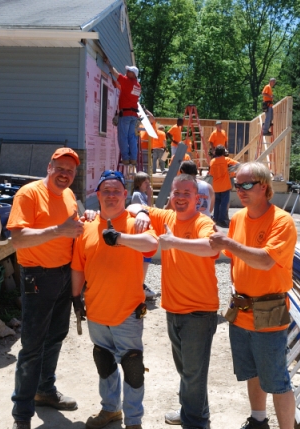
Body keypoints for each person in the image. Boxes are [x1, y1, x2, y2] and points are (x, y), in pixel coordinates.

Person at [208, 162, 297, 429]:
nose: (241, 190)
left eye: (247, 184)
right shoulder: (238, 218)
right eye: (237, 185)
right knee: (252, 371)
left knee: (277, 380)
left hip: (270, 308)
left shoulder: (281, 221)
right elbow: (231, 256)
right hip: (241, 308)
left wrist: (227, 242)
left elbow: (265, 260)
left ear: (264, 187)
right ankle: (258, 420)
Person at [127, 174, 219, 429]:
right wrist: (142, 211)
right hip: (174, 309)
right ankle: (193, 412)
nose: (180, 198)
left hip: (199, 311)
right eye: (176, 193)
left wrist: (174, 242)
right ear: (170, 195)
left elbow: (211, 247)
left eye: (186, 194)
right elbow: (132, 205)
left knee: (193, 373)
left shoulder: (203, 222)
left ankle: (195, 422)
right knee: (187, 371)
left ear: (197, 198)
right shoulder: (167, 217)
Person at [72, 170, 159, 429]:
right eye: (106, 191)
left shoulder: (136, 223)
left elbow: (151, 245)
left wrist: (121, 238)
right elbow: (77, 267)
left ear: (124, 194)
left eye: (116, 191)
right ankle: (110, 409)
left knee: (132, 365)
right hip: (96, 310)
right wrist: (75, 298)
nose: (111, 195)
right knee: (104, 361)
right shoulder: (87, 226)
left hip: (127, 312)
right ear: (97, 195)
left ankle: (133, 420)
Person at [7, 148, 84, 429]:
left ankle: (45, 390)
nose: (65, 174)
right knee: (32, 345)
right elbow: (17, 239)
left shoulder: (69, 195)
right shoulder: (28, 194)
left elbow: (73, 230)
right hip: (37, 277)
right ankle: (22, 413)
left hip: (63, 275)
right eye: (60, 168)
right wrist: (58, 231)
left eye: (70, 171)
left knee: (56, 336)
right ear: (49, 167)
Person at [105, 58, 141, 165]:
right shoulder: (137, 86)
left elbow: (115, 73)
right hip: (133, 115)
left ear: (133, 74)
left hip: (125, 115)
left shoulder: (127, 81)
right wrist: (117, 86)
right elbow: (127, 91)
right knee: (132, 137)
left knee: (123, 137)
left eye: (129, 71)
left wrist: (108, 64)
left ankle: (125, 158)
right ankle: (133, 159)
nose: (126, 72)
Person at [131, 172, 158, 301]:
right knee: (144, 259)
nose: (148, 184)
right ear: (139, 183)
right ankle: (139, 286)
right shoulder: (137, 195)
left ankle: (140, 284)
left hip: (144, 229)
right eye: (145, 182)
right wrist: (150, 196)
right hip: (141, 231)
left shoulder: (142, 194)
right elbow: (146, 209)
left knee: (146, 259)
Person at [208, 145, 239, 228]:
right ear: (223, 152)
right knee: (224, 204)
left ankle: (215, 218)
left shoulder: (212, 161)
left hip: (216, 186)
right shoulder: (226, 160)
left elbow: (211, 173)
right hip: (225, 185)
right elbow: (237, 164)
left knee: (217, 203)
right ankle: (221, 220)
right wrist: (230, 170)